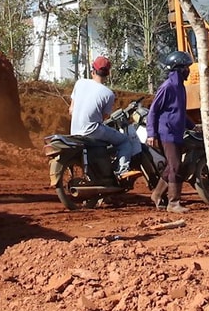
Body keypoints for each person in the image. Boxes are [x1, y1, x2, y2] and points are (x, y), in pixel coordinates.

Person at [68, 55, 138, 178]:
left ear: (93, 71)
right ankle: (122, 171)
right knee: (124, 141)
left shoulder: (80, 83)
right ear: (108, 74)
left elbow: (71, 109)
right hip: (92, 130)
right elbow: (104, 117)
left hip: (74, 131)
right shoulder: (108, 94)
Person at [146, 52, 193, 212]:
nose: (188, 70)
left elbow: (179, 112)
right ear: (178, 69)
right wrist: (151, 133)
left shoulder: (180, 87)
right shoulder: (167, 87)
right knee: (175, 166)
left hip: (177, 132)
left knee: (171, 167)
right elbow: (153, 111)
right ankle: (174, 203)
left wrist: (193, 126)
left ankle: (157, 194)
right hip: (167, 133)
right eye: (186, 67)